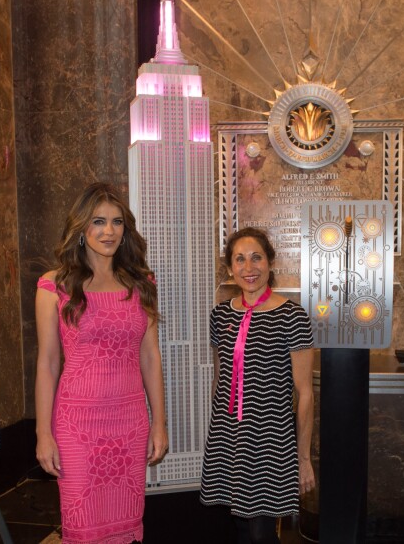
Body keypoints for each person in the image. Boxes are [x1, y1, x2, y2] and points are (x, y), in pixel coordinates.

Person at [35, 182, 168, 544]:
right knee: (82, 528)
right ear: (81, 228)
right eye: (98, 221)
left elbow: (149, 356)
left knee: (124, 525)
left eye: (117, 222)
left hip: (129, 421)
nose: (109, 231)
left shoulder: (141, 283)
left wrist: (159, 423)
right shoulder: (54, 285)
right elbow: (47, 363)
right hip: (76, 425)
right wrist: (43, 434)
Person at [200, 227, 316, 544]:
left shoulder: (292, 316)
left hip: (270, 440)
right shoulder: (220, 314)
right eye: (239, 259)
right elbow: (220, 379)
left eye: (256, 258)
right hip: (229, 436)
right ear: (229, 268)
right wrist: (217, 434)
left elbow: (305, 393)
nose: (248, 268)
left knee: (261, 533)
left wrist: (303, 458)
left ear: (270, 262)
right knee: (239, 529)